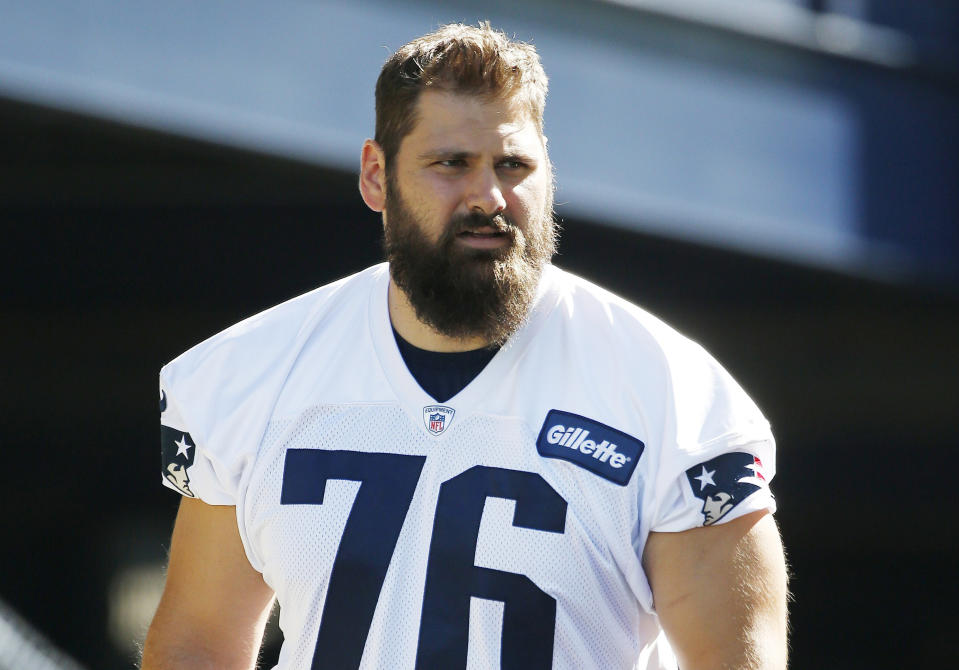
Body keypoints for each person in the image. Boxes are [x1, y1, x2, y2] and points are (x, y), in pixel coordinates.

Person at [142, 22, 788, 670]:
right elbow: (198, 641)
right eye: (451, 164)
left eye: (513, 166)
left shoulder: (672, 395)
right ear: (376, 175)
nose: (488, 197)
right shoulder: (252, 374)